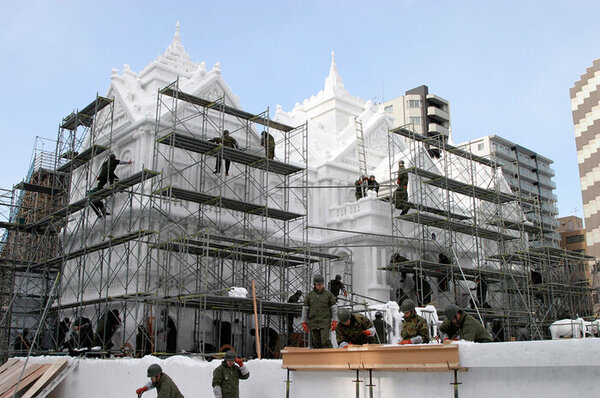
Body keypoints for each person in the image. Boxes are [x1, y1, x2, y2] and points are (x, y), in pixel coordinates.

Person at [301, 274, 338, 348]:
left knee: (325, 341)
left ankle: (329, 357)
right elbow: (305, 309)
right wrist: (303, 321)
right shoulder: (309, 296)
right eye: (318, 284)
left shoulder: (328, 295)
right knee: (316, 343)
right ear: (314, 284)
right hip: (313, 322)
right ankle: (318, 358)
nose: (320, 286)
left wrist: (335, 321)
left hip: (325, 322)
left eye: (321, 284)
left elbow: (334, 309)